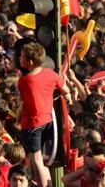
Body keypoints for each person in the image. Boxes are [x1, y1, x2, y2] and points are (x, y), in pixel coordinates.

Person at [18, 42, 71, 187]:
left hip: (32, 125)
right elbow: (65, 91)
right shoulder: (50, 73)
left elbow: (22, 103)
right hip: (48, 121)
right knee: (44, 161)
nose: (19, 58)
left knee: (36, 159)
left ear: (29, 62)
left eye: (21, 56)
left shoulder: (24, 81)